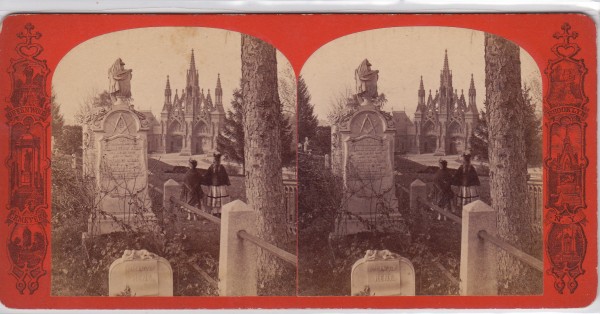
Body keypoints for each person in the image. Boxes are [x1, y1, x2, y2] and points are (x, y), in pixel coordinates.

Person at [204, 153, 230, 217]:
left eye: (216, 161)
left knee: (221, 199)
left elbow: (225, 176)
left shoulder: (221, 167)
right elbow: (207, 175)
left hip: (221, 186)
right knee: (215, 199)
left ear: (218, 161)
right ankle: (215, 212)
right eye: (214, 161)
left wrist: (225, 183)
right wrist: (208, 183)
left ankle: (221, 212)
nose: (215, 162)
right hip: (214, 186)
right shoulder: (211, 167)